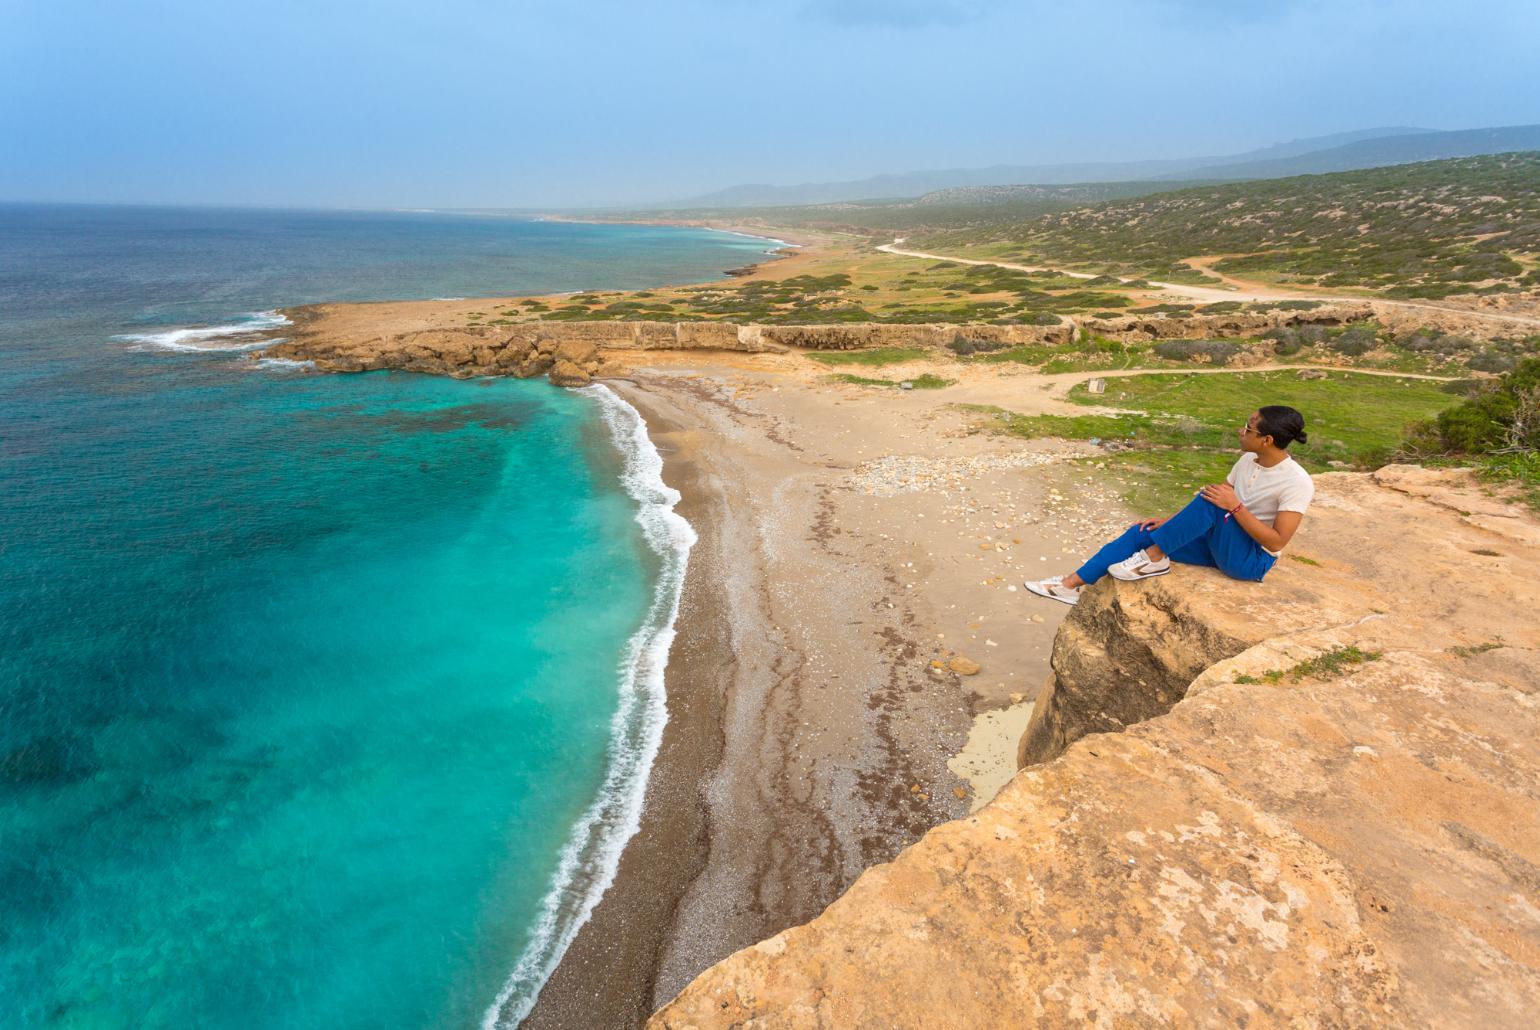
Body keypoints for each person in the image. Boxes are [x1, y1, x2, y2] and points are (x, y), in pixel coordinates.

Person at [1025, 405, 1313, 605]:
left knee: (1217, 502)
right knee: (1142, 531)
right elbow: (1216, 497)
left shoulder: (1296, 482)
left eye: (1249, 428)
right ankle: (1068, 586)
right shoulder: (1247, 460)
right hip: (1220, 544)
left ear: (1267, 440)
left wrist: (1235, 507)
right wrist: (1170, 522)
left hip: (1250, 560)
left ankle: (1154, 558)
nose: (1241, 431)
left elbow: (1276, 541)